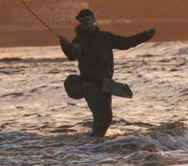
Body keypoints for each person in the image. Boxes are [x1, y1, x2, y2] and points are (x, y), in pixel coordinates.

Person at [60, 9, 155, 137]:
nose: (84, 22)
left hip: (105, 85)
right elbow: (72, 55)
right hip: (89, 84)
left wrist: (145, 35)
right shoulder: (78, 41)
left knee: (100, 119)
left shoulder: (105, 37)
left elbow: (126, 43)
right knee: (106, 117)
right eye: (81, 20)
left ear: (94, 19)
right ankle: (93, 146)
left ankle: (92, 146)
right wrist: (66, 46)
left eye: (87, 18)